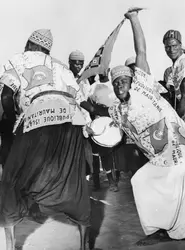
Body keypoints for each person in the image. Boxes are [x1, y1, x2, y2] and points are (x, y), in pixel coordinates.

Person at [87, 8, 185, 246]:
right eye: (116, 82)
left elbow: (141, 50)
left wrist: (134, 19)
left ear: (132, 79)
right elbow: (104, 124)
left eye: (124, 80)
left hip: (176, 144)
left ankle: (173, 230)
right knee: (141, 181)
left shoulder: (142, 82)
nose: (120, 84)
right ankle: (161, 228)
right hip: (158, 156)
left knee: (176, 186)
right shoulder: (117, 110)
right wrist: (90, 128)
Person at [0, 29, 96, 249]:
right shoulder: (61, 66)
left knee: (12, 179)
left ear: (29, 44)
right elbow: (83, 102)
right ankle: (83, 242)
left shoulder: (18, 59)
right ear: (46, 49)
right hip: (69, 120)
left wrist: (15, 121)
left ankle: (10, 244)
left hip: (37, 115)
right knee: (75, 180)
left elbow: (6, 95)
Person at [163, 29, 185, 115]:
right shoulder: (174, 66)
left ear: (180, 45)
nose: (171, 50)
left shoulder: (183, 62)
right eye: (168, 47)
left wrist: (178, 120)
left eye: (174, 46)